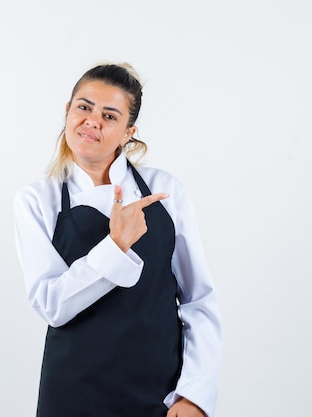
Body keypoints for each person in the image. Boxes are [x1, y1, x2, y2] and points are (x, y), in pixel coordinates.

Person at [13, 62, 223, 417]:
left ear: (128, 132)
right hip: (72, 396)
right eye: (84, 107)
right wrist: (115, 247)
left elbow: (198, 300)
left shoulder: (165, 190)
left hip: (159, 396)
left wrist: (195, 396)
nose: (92, 121)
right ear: (67, 113)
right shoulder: (37, 200)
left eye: (110, 116)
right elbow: (51, 304)